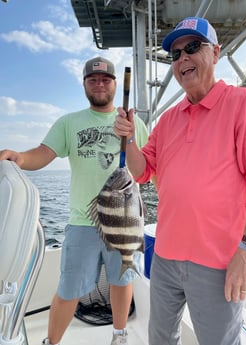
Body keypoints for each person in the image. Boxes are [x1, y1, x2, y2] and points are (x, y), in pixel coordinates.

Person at [114, 17, 246, 345]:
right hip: (165, 256)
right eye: (175, 54)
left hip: (219, 261)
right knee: (161, 338)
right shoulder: (167, 120)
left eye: (192, 47)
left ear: (216, 52)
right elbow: (141, 170)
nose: (182, 59)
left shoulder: (245, 104)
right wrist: (130, 138)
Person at [0, 56, 149, 345]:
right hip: (83, 221)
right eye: (93, 79)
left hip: (126, 218)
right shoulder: (69, 123)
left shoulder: (134, 124)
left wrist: (130, 138)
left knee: (123, 280)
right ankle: (52, 341)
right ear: (84, 84)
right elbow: (44, 153)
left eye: (106, 79)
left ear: (116, 83)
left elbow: (146, 166)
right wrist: (18, 157)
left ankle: (119, 336)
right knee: (69, 289)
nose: (99, 84)